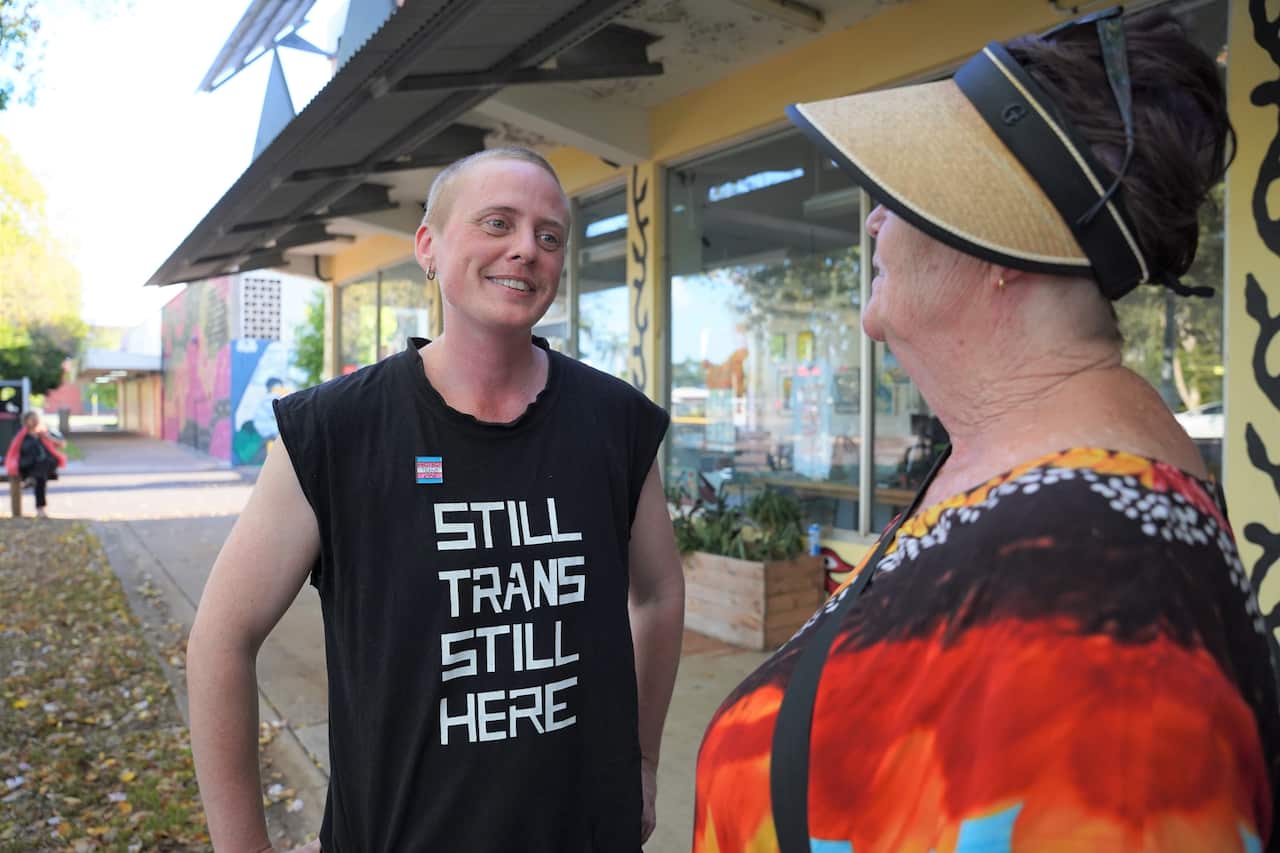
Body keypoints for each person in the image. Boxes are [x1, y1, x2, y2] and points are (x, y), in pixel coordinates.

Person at [695, 9, 1280, 852]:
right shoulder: (1008, 471)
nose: (871, 222)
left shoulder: (1110, 600)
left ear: (1006, 244)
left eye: (900, 194)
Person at [186, 147, 685, 852]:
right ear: (429, 246)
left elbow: (659, 593)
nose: (525, 249)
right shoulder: (336, 432)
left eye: (549, 235)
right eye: (497, 222)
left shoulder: (616, 422)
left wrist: (644, 758)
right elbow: (219, 640)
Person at [5, 411, 67, 518]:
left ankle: (32, 480)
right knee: (40, 478)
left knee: (43, 469)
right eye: (31, 418)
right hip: (28, 466)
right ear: (26, 421)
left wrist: (48, 437)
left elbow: (62, 444)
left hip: (44, 465)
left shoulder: (43, 433)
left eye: (36, 418)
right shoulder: (21, 436)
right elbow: (14, 453)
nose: (34, 421)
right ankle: (40, 509)